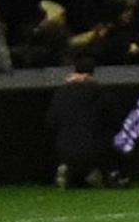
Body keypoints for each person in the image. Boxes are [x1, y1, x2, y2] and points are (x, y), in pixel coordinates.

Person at [46, 56, 122, 188]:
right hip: (93, 148)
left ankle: (68, 170)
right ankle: (102, 173)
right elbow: (113, 119)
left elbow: (51, 121)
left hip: (63, 148)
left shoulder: (60, 92)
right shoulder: (100, 92)